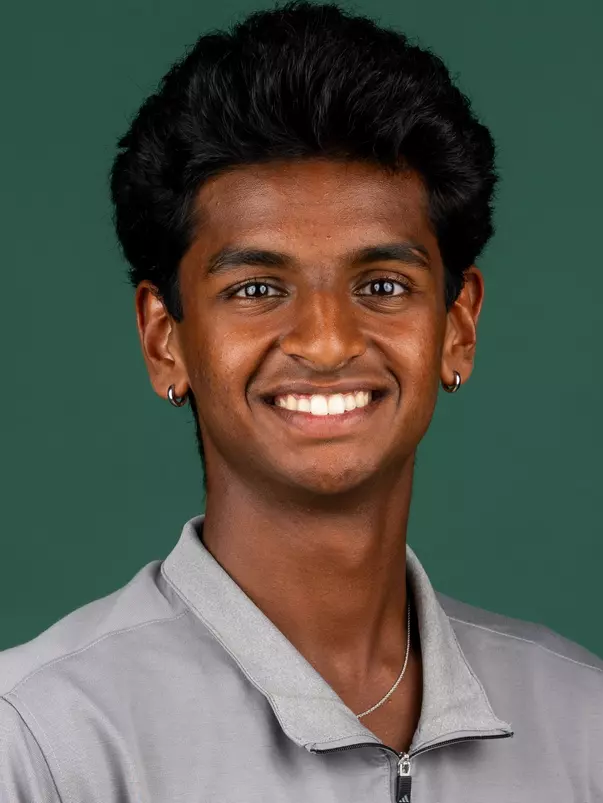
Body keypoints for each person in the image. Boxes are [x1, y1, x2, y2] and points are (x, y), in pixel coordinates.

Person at [1, 2, 601, 800]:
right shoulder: (41, 738)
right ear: (163, 339)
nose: (324, 342)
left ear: (456, 327)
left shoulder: (582, 721)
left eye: (382, 285)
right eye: (256, 288)